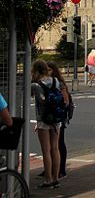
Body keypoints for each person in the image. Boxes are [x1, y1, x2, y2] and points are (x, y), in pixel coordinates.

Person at [31, 59, 61, 188]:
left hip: (43, 119)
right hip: (56, 118)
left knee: (46, 150)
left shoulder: (36, 85)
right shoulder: (56, 81)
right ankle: (56, 178)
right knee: (55, 148)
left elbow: (32, 97)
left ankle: (47, 179)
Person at [47, 62, 70, 179]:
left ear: (54, 71)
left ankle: (61, 170)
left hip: (59, 117)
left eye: (49, 70)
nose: (47, 72)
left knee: (59, 143)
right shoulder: (46, 83)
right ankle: (50, 168)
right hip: (49, 117)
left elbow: (66, 101)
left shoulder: (59, 83)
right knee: (50, 145)